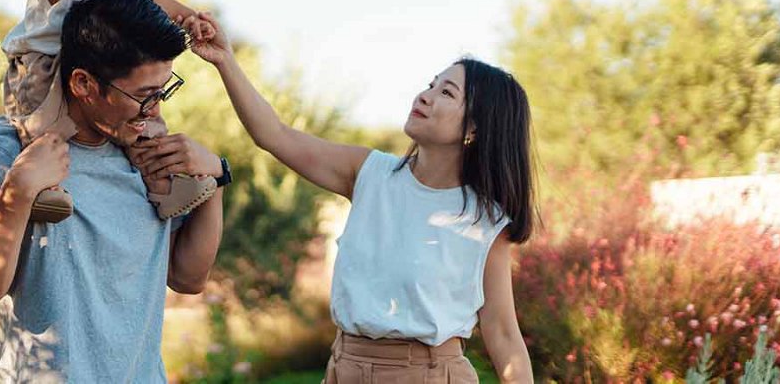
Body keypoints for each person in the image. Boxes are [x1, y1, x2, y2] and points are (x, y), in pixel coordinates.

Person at [187, 20, 537, 383]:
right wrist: (225, 60)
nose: (425, 95)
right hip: (345, 368)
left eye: (446, 93)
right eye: (430, 85)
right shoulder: (370, 173)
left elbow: (503, 334)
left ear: (475, 129)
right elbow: (274, 134)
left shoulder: (484, 220)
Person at [0, 0, 229, 383]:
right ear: (84, 84)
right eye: (144, 96)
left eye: (163, 91)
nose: (156, 110)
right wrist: (18, 192)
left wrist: (215, 179)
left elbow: (187, 278)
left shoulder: (145, 158)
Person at [2, 0, 216, 223]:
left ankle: (162, 186)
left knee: (147, 119)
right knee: (41, 123)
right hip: (44, 60)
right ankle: (43, 188)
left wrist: (188, 16)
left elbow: (155, 0)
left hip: (105, 70)